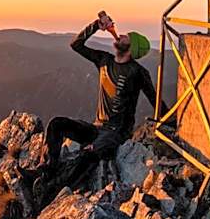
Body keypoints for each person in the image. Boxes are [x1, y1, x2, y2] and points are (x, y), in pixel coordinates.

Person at [20, 13, 167, 205]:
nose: (120, 36)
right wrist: (96, 25)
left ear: (131, 48)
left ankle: (50, 190)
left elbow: (154, 99)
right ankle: (43, 169)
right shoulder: (104, 60)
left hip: (116, 132)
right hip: (96, 127)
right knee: (57, 124)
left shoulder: (138, 73)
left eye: (126, 38)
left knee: (89, 154)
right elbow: (76, 44)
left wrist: (171, 121)